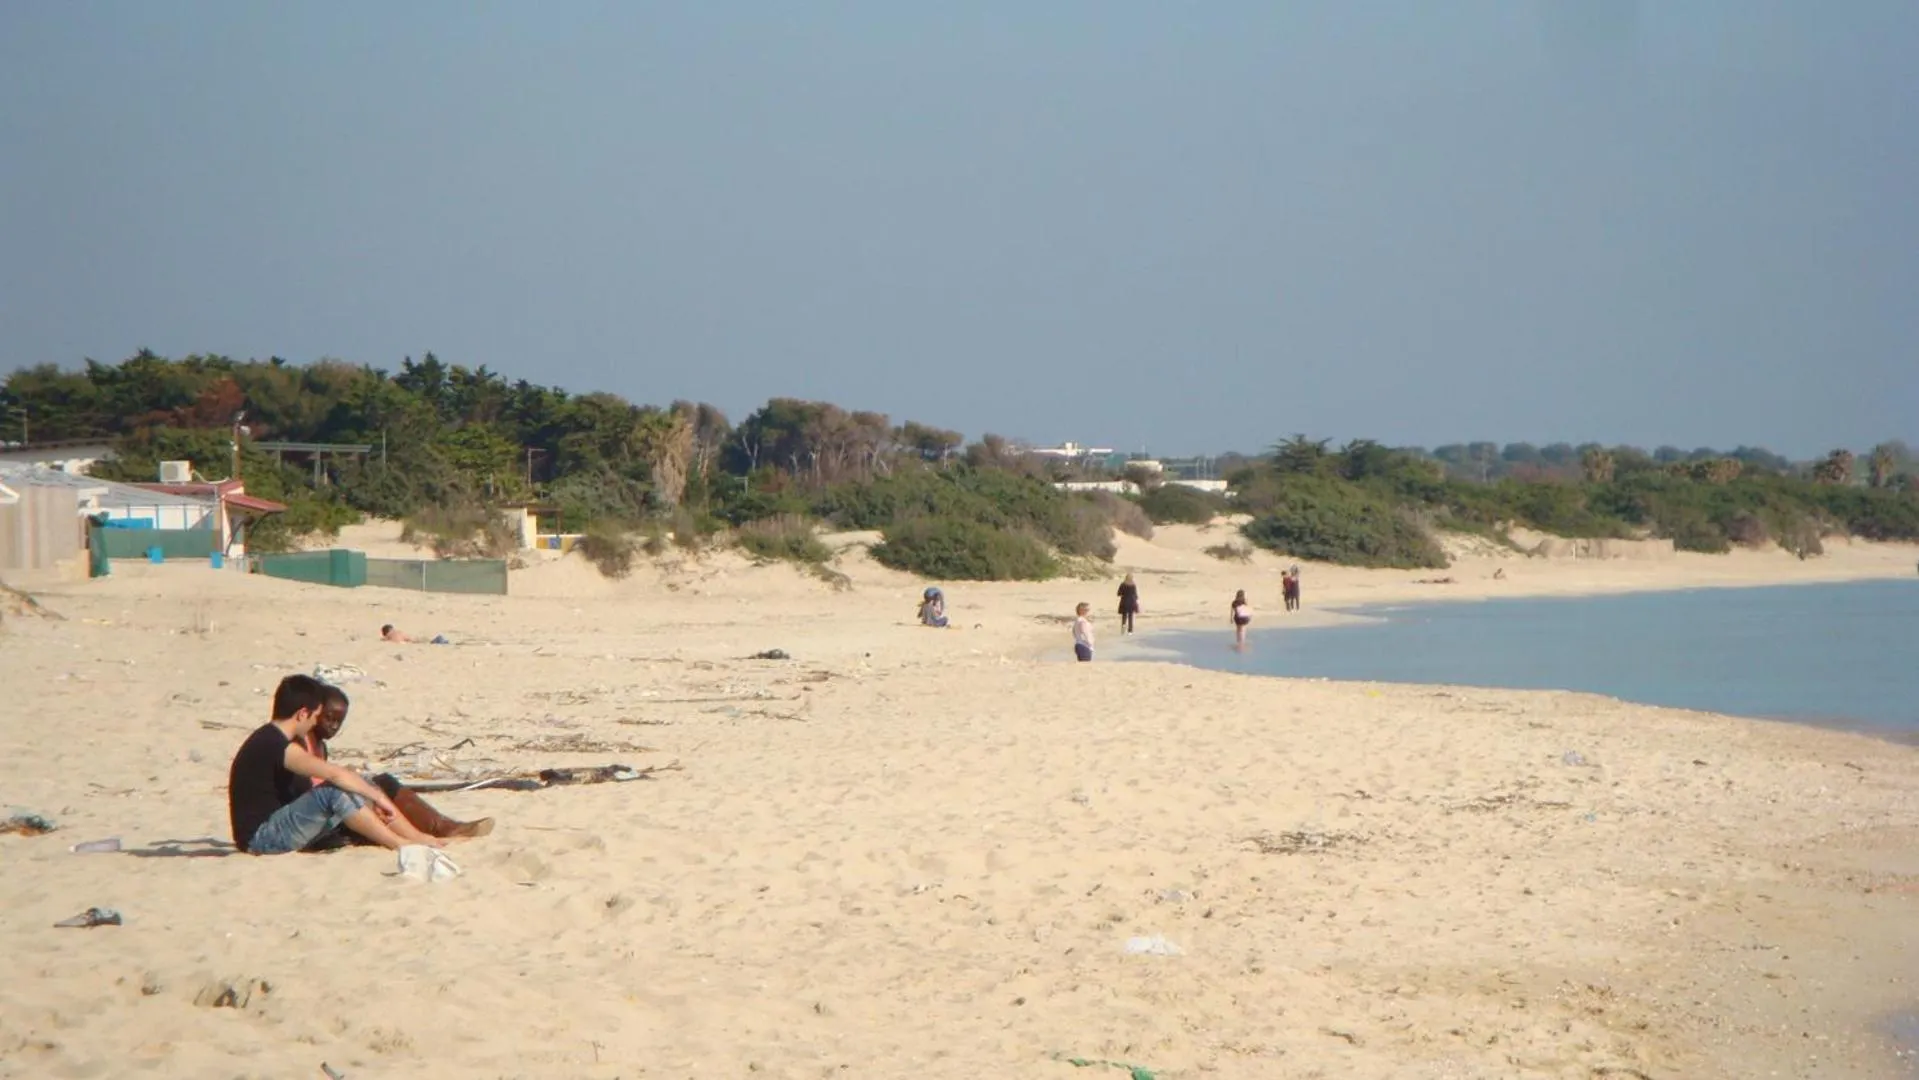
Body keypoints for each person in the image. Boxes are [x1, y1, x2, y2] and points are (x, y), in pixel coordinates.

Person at [227, 674, 442, 855]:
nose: (315, 723)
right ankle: (399, 844)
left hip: (274, 827)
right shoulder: (274, 743)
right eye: (316, 716)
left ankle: (417, 837)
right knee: (334, 791)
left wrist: (370, 792)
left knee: (361, 782)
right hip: (260, 838)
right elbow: (334, 774)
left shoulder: (272, 739)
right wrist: (376, 798)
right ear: (302, 713)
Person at [307, 684, 494, 839]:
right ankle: (425, 832)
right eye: (329, 719)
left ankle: (441, 826)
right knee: (365, 791)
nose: (333, 726)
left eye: (338, 722)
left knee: (384, 782)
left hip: (329, 805)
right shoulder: (300, 744)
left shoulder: (320, 745)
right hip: (316, 814)